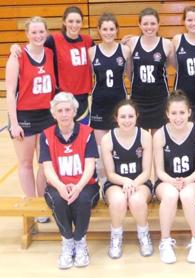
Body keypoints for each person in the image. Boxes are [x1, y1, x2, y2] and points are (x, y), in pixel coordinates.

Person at [40, 92, 100, 269]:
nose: (64, 114)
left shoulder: (88, 133)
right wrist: (60, 186)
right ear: (54, 114)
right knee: (58, 200)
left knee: (81, 200)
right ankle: (67, 241)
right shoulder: (46, 135)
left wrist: (78, 187)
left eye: (68, 110)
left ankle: (80, 241)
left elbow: (90, 166)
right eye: (60, 110)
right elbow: (47, 168)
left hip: (85, 185)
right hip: (58, 185)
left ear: (75, 112)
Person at [5, 17, 56, 216]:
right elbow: (10, 92)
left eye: (41, 32)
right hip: (24, 116)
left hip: (46, 116)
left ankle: (43, 203)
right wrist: (14, 124)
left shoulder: (50, 54)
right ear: (27, 34)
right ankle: (32, 206)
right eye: (33, 32)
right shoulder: (17, 57)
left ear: (46, 32)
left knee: (44, 163)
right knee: (26, 163)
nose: (38, 36)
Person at [11, 6, 94, 124]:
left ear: (82, 23)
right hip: (61, 97)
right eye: (70, 21)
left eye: (78, 21)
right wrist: (14, 46)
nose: (74, 25)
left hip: (82, 99)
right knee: (61, 137)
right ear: (64, 22)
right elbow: (36, 43)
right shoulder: (53, 40)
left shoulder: (88, 41)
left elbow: (104, 52)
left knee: (82, 136)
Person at [153, 90, 195, 264]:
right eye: (174, 113)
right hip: (166, 180)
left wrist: (186, 181)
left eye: (182, 112)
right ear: (167, 114)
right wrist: (172, 181)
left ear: (189, 112)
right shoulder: (160, 135)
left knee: (186, 194)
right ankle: (165, 242)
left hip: (192, 180)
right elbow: (159, 171)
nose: (178, 117)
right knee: (170, 195)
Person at [101, 99, 153, 259]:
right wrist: (125, 182)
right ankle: (116, 236)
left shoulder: (144, 136)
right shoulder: (107, 139)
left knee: (136, 200)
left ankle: (144, 234)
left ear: (137, 116)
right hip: (115, 183)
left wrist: (133, 184)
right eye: (123, 116)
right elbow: (110, 174)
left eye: (131, 116)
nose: (127, 120)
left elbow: (146, 172)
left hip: (141, 182)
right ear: (116, 118)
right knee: (118, 201)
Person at [88, 13, 130, 184]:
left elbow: (130, 75)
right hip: (99, 104)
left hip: (119, 104)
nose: (108, 32)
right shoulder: (92, 52)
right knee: (100, 148)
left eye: (111, 29)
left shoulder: (125, 50)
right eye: (104, 29)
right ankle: (104, 183)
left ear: (117, 30)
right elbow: (89, 77)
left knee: (117, 146)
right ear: (98, 30)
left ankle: (119, 181)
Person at [126, 7, 175, 134]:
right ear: (139, 25)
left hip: (159, 99)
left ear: (159, 24)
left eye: (153, 23)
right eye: (145, 24)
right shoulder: (131, 43)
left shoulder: (167, 44)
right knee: (140, 141)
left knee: (157, 140)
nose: (149, 27)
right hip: (138, 99)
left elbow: (170, 66)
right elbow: (129, 72)